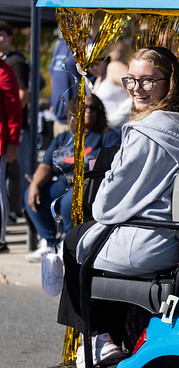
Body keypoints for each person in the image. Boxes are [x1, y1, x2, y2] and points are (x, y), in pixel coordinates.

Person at [57, 46, 179, 368]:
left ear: (170, 82)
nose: (137, 88)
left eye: (148, 81)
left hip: (150, 240)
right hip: (177, 239)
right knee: (92, 240)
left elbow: (109, 205)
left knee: (73, 243)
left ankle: (97, 338)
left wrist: (102, 196)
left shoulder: (147, 132)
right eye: (131, 80)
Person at [25, 94, 121, 262]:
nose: (88, 111)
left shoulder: (108, 136)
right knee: (32, 193)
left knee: (70, 200)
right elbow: (46, 165)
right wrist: (34, 184)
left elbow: (112, 167)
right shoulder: (63, 139)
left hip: (90, 185)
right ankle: (47, 243)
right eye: (83, 108)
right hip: (64, 183)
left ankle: (68, 244)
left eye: (92, 108)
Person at [0, 21, 30, 219]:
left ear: (9, 37)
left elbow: (21, 96)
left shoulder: (12, 63)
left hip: (9, 132)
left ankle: (12, 212)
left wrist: (13, 137)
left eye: (1, 34)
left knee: (13, 174)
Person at [0, 56, 22, 253]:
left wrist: (13, 142)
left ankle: (0, 239)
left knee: (0, 190)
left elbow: (14, 110)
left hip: (1, 142)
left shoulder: (4, 72)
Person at [49, 36, 80, 137]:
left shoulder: (86, 44)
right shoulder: (60, 44)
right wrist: (53, 103)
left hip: (75, 121)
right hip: (58, 120)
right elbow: (53, 75)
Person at [90, 53, 131, 128]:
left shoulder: (113, 67)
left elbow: (136, 92)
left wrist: (114, 120)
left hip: (121, 127)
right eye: (87, 67)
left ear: (105, 60)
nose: (91, 69)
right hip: (109, 130)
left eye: (95, 64)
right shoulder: (99, 79)